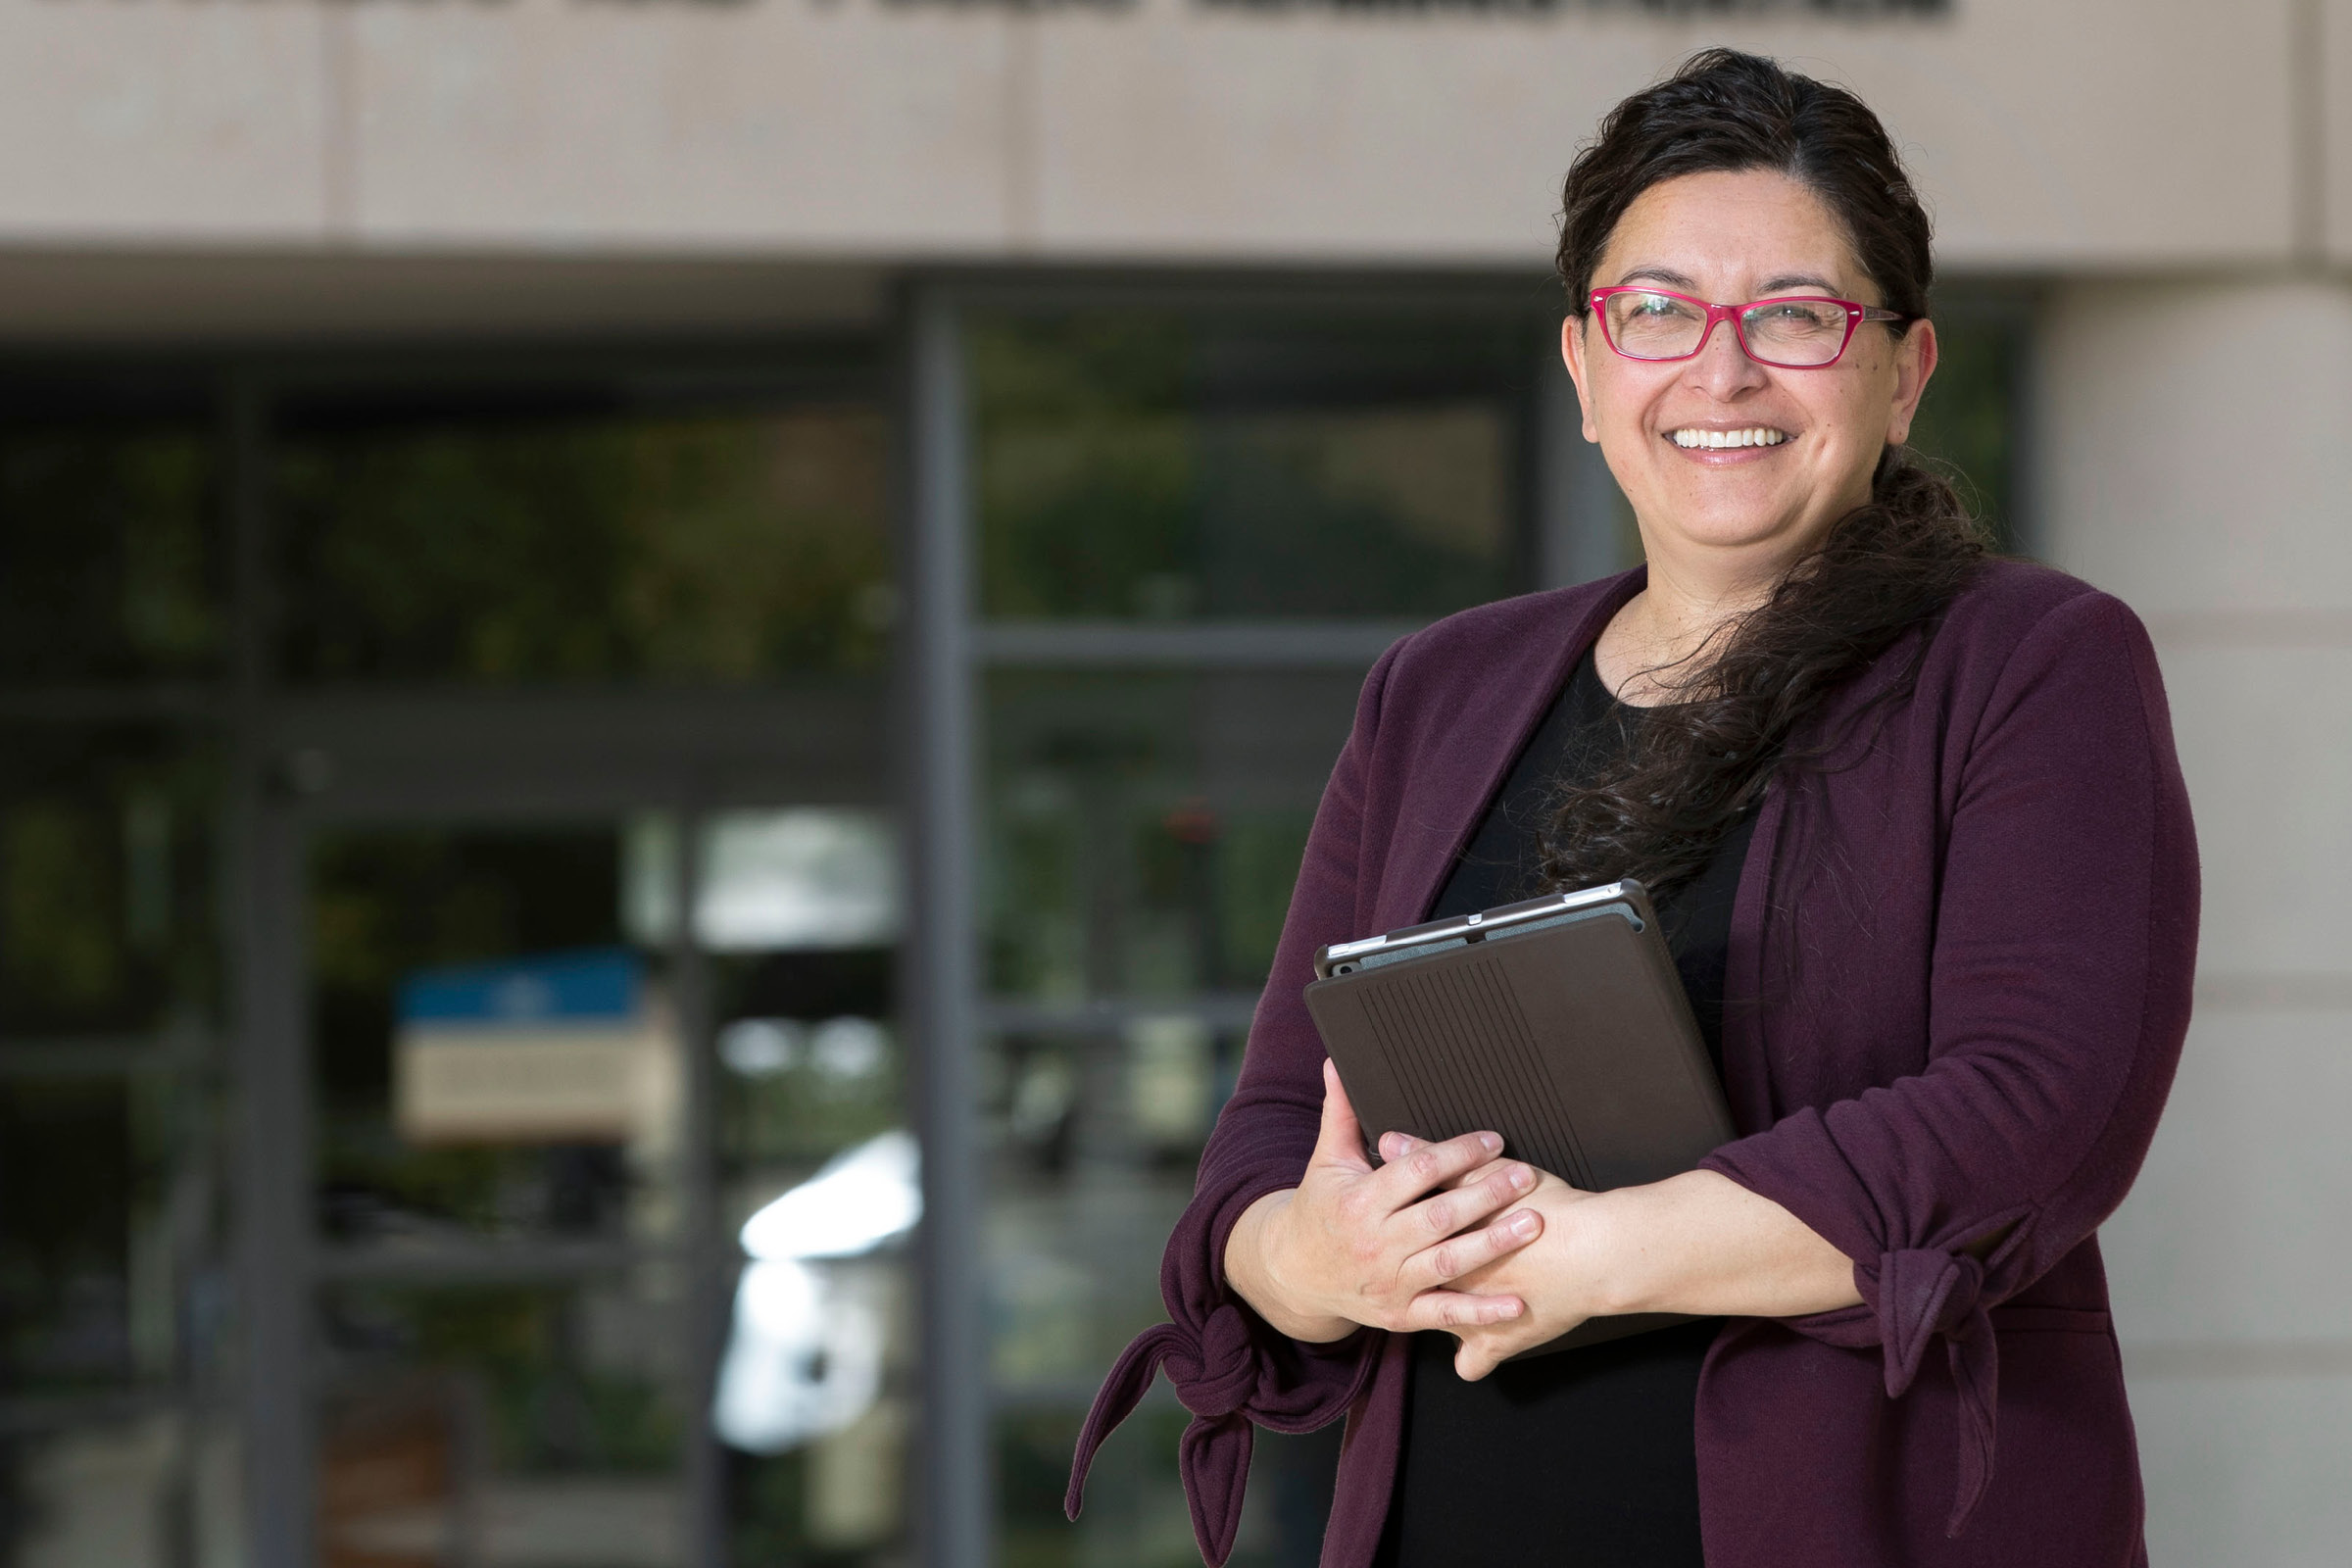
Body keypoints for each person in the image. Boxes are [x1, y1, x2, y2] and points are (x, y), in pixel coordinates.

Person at [1066, 48, 2197, 1568]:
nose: (1720, 373)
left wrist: (1595, 1257)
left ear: (1904, 370)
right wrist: (1321, 1253)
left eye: (1794, 316)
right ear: (1587, 369)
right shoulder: (1439, 690)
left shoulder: (2031, 665)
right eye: (1656, 312)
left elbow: (2030, 1114)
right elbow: (1272, 1135)